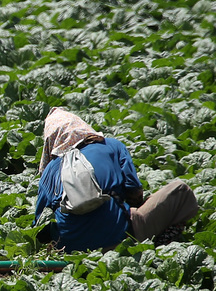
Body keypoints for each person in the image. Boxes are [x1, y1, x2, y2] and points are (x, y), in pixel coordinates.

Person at [34, 107, 199, 251]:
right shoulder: (111, 145)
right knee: (180, 190)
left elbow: (39, 226)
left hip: (69, 249)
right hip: (119, 237)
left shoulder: (48, 173)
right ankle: (159, 243)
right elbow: (134, 192)